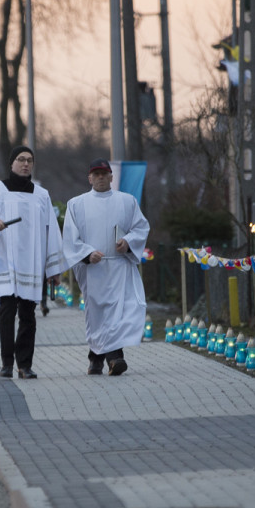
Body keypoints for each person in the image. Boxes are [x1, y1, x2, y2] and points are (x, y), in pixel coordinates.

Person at [0, 146, 64, 379]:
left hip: (32, 263)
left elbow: (51, 231)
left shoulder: (41, 195)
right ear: (11, 163)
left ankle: (25, 365)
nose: (25, 164)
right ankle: (6, 363)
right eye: (21, 159)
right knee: (6, 312)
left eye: (30, 160)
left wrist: (54, 268)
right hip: (5, 259)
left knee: (28, 315)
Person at [62, 158, 150, 377]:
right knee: (98, 315)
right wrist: (86, 254)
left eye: (104, 174)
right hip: (94, 268)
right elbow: (70, 238)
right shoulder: (77, 204)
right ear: (90, 178)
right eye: (96, 174)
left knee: (116, 314)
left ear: (112, 177)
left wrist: (128, 242)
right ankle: (97, 359)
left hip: (119, 265)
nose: (101, 178)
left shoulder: (127, 201)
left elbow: (141, 227)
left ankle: (113, 358)